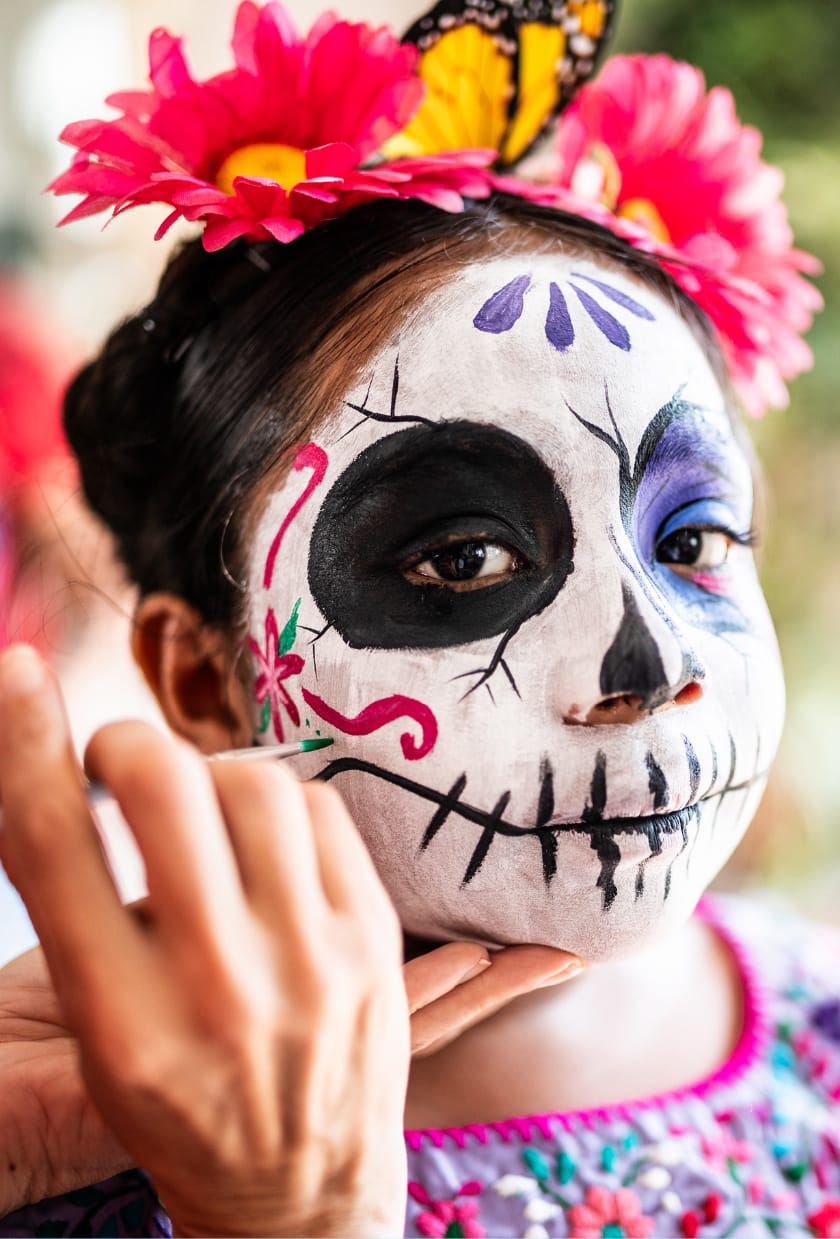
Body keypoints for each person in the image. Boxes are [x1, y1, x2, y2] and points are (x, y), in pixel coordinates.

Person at [0, 4, 837, 1237]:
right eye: (464, 555)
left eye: (693, 540)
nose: (649, 668)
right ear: (203, 684)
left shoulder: (823, 1017)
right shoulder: (87, 1171)